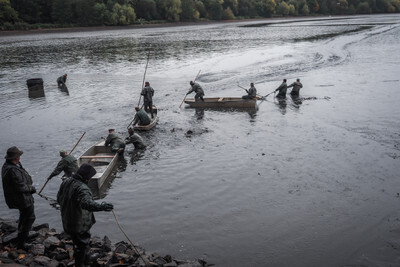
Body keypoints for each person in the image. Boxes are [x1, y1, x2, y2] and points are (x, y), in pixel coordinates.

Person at [57, 163, 113, 267]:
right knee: (81, 244)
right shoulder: (83, 188)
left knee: (79, 241)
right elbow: (87, 204)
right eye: (91, 177)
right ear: (87, 178)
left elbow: (59, 199)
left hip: (67, 219)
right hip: (78, 223)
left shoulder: (66, 181)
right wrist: (102, 207)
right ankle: (80, 264)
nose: (91, 179)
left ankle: (87, 258)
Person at [2, 146, 36, 250]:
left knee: (24, 217)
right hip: (23, 199)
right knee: (29, 218)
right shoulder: (12, 170)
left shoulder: (8, 166)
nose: (20, 158)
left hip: (20, 199)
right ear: (16, 157)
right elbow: (20, 187)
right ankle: (22, 243)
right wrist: (31, 188)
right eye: (19, 156)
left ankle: (21, 238)